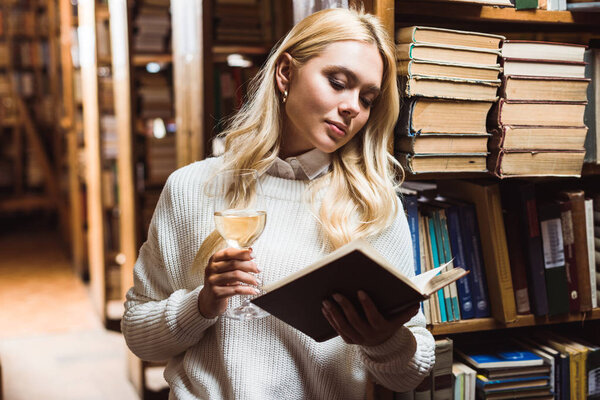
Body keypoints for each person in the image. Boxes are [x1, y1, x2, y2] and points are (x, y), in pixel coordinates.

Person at [122, 7, 435, 400]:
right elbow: (138, 335)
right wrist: (201, 304)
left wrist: (385, 341)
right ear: (285, 72)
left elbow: (412, 373)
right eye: (338, 82)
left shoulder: (372, 203)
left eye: (367, 98)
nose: (354, 106)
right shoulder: (190, 187)